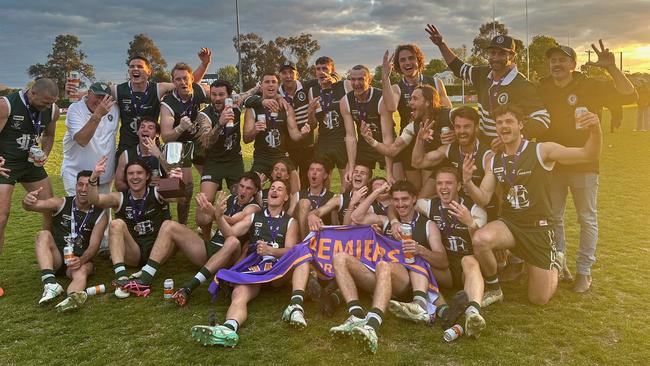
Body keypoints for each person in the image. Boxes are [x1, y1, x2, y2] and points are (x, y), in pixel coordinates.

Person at [463, 104, 602, 306]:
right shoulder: (495, 160)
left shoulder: (541, 150)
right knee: (480, 240)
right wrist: (467, 182)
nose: (504, 126)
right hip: (510, 225)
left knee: (538, 299)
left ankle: (555, 260)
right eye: (499, 123)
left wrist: (596, 130)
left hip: (539, 229)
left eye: (509, 121)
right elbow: (483, 197)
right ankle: (494, 288)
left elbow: (588, 154)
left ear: (521, 124)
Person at [539, 42, 636, 292]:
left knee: (586, 218)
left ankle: (584, 271)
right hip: (554, 164)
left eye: (563, 60)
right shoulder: (543, 87)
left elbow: (629, 95)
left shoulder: (589, 85)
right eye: (553, 60)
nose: (557, 64)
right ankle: (559, 265)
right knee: (553, 218)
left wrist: (612, 69)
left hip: (584, 163)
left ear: (573, 64)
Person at [190, 180, 311, 347]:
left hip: (278, 268)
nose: (274, 191)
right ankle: (229, 328)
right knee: (239, 293)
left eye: (279, 189)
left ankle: (296, 307)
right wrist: (218, 216)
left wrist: (271, 251)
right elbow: (231, 233)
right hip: (255, 266)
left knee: (302, 252)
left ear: (285, 197)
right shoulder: (255, 216)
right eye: (272, 188)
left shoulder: (290, 222)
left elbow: (290, 250)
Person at [335, 180, 447, 353]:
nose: (400, 204)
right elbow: (355, 219)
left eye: (405, 199)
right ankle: (356, 315)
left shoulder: (427, 225)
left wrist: (421, 250)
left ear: (414, 199)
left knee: (383, 265)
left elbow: (443, 260)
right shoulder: (387, 221)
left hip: (405, 282)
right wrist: (376, 193)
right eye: (396, 200)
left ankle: (373, 324)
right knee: (340, 258)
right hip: (379, 276)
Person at [116, 172, 262, 304]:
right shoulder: (230, 198)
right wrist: (203, 209)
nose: (243, 191)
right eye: (241, 186)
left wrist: (216, 214)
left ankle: (189, 287)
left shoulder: (253, 208)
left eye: (248, 188)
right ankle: (145, 279)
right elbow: (203, 221)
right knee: (169, 225)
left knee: (232, 241)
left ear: (255, 191)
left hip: (230, 256)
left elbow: (232, 228)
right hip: (211, 248)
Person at [426, 24, 550, 146]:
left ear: (512, 56)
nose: (495, 58)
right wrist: (441, 45)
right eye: (492, 53)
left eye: (501, 54)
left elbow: (543, 119)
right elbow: (458, 68)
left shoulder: (523, 85)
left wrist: (514, 136)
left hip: (509, 149)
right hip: (483, 146)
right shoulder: (482, 74)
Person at [402, 167, 488, 337]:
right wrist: (393, 221)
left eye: (449, 183)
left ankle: (473, 314)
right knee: (420, 262)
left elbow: (481, 246)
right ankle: (446, 311)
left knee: (469, 260)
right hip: (445, 268)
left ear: (458, 186)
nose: (443, 187)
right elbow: (399, 206)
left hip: (469, 268)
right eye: (440, 183)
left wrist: (470, 223)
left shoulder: (475, 209)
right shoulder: (427, 205)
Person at [87, 156, 176, 298]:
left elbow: (177, 197)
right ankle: (122, 277)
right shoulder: (120, 197)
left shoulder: (157, 190)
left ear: (147, 176)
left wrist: (173, 176)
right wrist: (93, 178)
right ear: (126, 177)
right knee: (116, 224)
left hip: (158, 250)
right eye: (130, 173)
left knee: (171, 226)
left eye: (139, 173)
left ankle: (146, 272)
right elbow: (94, 200)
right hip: (134, 252)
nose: (135, 177)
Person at [24, 170, 108, 312]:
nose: (83, 189)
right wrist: (27, 201)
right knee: (43, 235)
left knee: (81, 272)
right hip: (56, 258)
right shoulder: (61, 203)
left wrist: (81, 260)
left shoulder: (101, 214)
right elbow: (32, 206)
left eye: (88, 185)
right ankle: (50, 283)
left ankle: (72, 298)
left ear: (95, 189)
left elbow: (94, 246)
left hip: (78, 260)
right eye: (80, 184)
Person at [0, 78, 59, 255]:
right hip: (6, 164)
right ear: (32, 92)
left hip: (31, 164)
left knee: (50, 207)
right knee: (1, 218)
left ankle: (51, 256)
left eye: (51, 103)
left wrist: (45, 154)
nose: (47, 107)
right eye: (44, 102)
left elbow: (49, 135)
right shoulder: (6, 105)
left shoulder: (53, 109)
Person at [112, 51, 211, 155]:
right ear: (129, 70)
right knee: (124, 170)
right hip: (127, 145)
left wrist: (204, 65)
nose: (135, 69)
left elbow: (187, 83)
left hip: (151, 145)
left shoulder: (159, 88)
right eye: (132, 66)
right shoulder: (117, 90)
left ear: (149, 71)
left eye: (140, 66)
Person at [380, 44, 452, 187]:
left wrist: (451, 134)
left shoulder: (435, 83)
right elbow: (391, 106)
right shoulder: (397, 88)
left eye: (411, 58)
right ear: (398, 65)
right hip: (409, 144)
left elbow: (448, 113)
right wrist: (385, 78)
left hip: (432, 143)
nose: (407, 63)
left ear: (418, 60)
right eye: (402, 60)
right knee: (413, 189)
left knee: (428, 191)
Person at [361, 84, 453, 194]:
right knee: (422, 197)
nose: (410, 103)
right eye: (410, 99)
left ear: (428, 102)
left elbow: (473, 121)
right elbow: (392, 150)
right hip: (436, 164)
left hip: (457, 165)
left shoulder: (450, 114)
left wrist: (458, 133)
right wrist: (371, 141)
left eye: (415, 98)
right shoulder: (414, 126)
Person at [160, 62, 210, 225]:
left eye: (185, 78)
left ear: (192, 79)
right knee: (183, 187)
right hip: (178, 143)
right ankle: (180, 225)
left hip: (198, 139)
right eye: (178, 79)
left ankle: (207, 222)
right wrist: (181, 127)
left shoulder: (199, 90)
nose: (182, 82)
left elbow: (221, 95)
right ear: (173, 82)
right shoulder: (168, 103)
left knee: (211, 179)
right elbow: (166, 137)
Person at [194, 79, 244, 240]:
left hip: (234, 161)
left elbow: (252, 93)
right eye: (213, 94)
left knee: (244, 198)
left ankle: (239, 237)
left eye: (221, 95)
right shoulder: (204, 115)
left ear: (229, 96)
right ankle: (207, 238)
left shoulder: (235, 104)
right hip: (213, 162)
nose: (217, 98)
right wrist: (220, 123)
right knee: (203, 213)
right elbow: (206, 142)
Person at [243, 73, 311, 182]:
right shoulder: (252, 109)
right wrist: (255, 130)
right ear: (261, 86)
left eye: (273, 82)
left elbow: (294, 134)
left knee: (295, 182)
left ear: (278, 86)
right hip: (262, 157)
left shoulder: (286, 108)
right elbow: (246, 139)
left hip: (280, 156)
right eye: (267, 82)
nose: (270, 85)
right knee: (252, 186)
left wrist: (302, 134)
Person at [340, 65, 396, 183]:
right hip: (364, 144)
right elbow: (350, 137)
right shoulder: (345, 101)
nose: (356, 83)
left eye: (361, 79)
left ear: (369, 80)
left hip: (385, 143)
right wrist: (351, 166)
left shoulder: (381, 99)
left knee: (396, 182)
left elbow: (387, 136)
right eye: (353, 79)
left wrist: (389, 172)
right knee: (349, 182)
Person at [61, 82, 119, 195]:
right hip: (77, 177)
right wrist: (98, 114)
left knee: (103, 213)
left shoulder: (114, 108)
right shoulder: (76, 109)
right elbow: (82, 140)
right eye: (97, 97)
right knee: (81, 211)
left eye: (104, 98)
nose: (100, 102)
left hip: (104, 179)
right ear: (88, 94)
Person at [309, 56, 353, 191]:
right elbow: (313, 125)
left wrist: (335, 78)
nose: (321, 72)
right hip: (323, 141)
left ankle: (345, 209)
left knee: (346, 182)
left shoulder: (344, 86)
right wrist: (310, 112)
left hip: (342, 140)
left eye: (324, 68)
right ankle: (326, 210)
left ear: (332, 70)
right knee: (322, 182)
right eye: (318, 69)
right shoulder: (313, 90)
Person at [114, 119, 165, 191]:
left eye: (150, 128)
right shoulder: (126, 155)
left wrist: (159, 156)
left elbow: (175, 181)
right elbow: (118, 185)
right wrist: (142, 184)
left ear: (157, 134)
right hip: (134, 200)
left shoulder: (165, 153)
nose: (145, 130)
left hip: (159, 199)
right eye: (142, 127)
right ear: (137, 132)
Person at [296, 159, 335, 238]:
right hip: (301, 238)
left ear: (325, 175)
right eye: (311, 169)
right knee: (304, 203)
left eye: (319, 170)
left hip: (322, 238)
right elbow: (288, 219)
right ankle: (306, 244)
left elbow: (335, 225)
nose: (314, 172)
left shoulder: (332, 197)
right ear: (308, 174)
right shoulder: (298, 195)